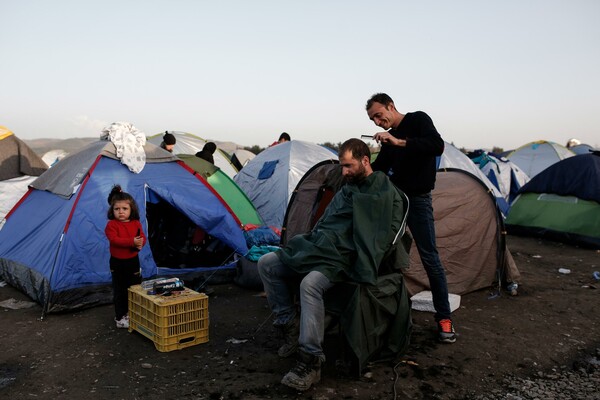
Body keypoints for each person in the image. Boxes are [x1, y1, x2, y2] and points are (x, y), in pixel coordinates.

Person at [257, 138, 405, 391]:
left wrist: (345, 246)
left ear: (365, 161)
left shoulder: (383, 189)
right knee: (267, 262)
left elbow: (380, 234)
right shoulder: (347, 188)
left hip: (346, 256)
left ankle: (311, 361)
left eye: (348, 166)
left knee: (310, 284)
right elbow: (328, 222)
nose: (343, 172)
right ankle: (289, 326)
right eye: (341, 166)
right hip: (322, 248)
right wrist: (316, 240)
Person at [365, 92, 456, 344]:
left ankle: (444, 317)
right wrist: (357, 165)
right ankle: (384, 315)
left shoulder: (417, 120)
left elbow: (436, 146)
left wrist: (399, 142)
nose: (376, 122)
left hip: (418, 201)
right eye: (372, 119)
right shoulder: (388, 141)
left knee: (429, 257)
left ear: (391, 106)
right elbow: (380, 168)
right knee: (384, 253)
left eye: (378, 115)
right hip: (394, 202)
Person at [105, 185, 146, 329]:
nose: (121, 212)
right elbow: (115, 240)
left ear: (131, 210)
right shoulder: (111, 225)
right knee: (120, 290)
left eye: (124, 209)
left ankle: (133, 313)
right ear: (112, 210)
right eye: (117, 209)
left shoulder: (135, 223)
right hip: (117, 263)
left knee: (135, 288)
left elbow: (141, 237)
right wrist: (132, 242)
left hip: (133, 262)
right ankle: (120, 317)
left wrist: (140, 244)